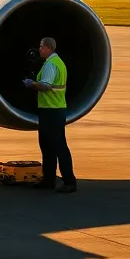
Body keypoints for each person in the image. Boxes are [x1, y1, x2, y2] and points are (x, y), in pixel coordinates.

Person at [23, 36, 76, 193]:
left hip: (51, 111)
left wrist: (31, 84)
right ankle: (49, 179)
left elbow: (45, 87)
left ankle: (69, 181)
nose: (39, 49)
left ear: (48, 48)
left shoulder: (51, 65)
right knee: (48, 146)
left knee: (58, 147)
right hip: (55, 109)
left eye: (41, 47)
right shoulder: (58, 62)